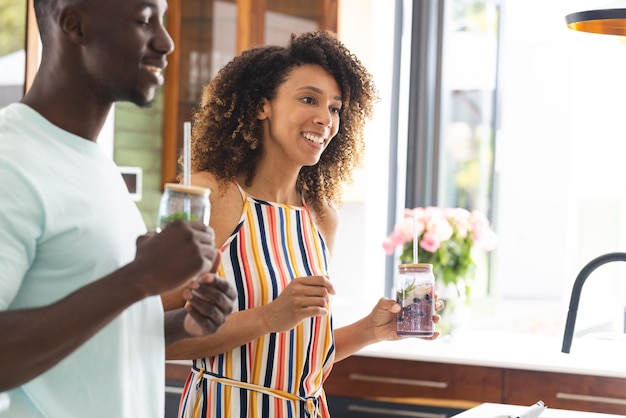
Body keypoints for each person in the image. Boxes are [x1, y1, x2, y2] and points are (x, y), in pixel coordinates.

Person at [163, 31, 443, 418]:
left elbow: (297, 360)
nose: (325, 119)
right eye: (308, 99)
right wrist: (267, 317)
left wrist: (370, 331)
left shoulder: (321, 217)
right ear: (263, 106)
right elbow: (158, 338)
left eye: (335, 108)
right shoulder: (212, 196)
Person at [0, 0, 236, 416]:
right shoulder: (10, 160)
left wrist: (185, 322)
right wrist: (140, 278)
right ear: (75, 25)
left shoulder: (95, 166)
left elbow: (105, 334)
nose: (166, 42)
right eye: (145, 20)